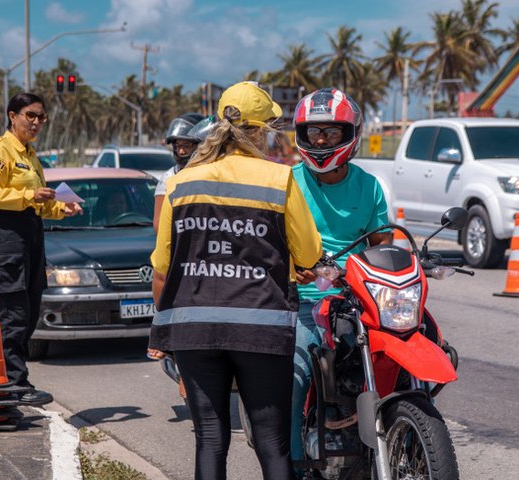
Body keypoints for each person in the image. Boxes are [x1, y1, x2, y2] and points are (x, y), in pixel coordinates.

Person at [148, 81, 323, 480]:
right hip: (259, 326)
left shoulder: (180, 183)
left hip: (194, 327)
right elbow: (310, 252)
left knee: (210, 439)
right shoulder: (278, 179)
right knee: (271, 442)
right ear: (261, 131)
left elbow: (162, 262)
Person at [289, 88, 393, 471]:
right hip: (305, 298)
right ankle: (292, 464)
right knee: (296, 374)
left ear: (350, 134)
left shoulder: (369, 185)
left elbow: (384, 243)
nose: (320, 141)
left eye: (331, 132)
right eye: (313, 132)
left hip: (360, 295)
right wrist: (292, 266)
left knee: (421, 338)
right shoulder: (288, 182)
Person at [0, 92, 82, 406]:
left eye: (41, 117)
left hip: (32, 234)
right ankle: (14, 382)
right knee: (15, 312)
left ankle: (15, 378)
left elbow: (41, 203)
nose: (36, 122)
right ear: (12, 116)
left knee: (32, 309)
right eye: (30, 116)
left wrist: (63, 208)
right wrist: (28, 196)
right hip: (8, 234)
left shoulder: (32, 156)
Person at [153, 112, 205, 232]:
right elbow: (159, 225)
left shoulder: (213, 174)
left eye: (187, 145)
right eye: (177, 146)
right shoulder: (169, 177)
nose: (181, 151)